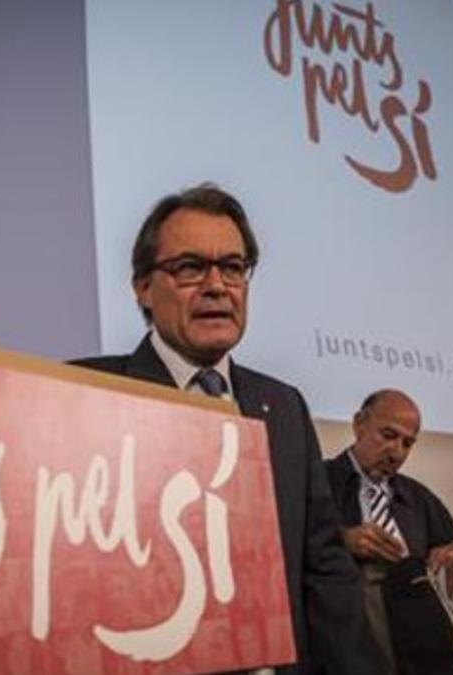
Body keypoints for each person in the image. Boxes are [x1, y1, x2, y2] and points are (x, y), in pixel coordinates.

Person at [72, 184, 379, 673]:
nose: (217, 285)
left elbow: (325, 570)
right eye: (191, 267)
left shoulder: (283, 405)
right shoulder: (85, 394)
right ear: (143, 287)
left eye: (233, 268)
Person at [326, 389, 453, 674]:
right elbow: (286, 539)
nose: (397, 452)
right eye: (388, 435)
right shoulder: (319, 480)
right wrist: (343, 539)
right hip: (345, 640)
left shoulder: (416, 496)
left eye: (407, 443)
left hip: (418, 646)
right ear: (358, 424)